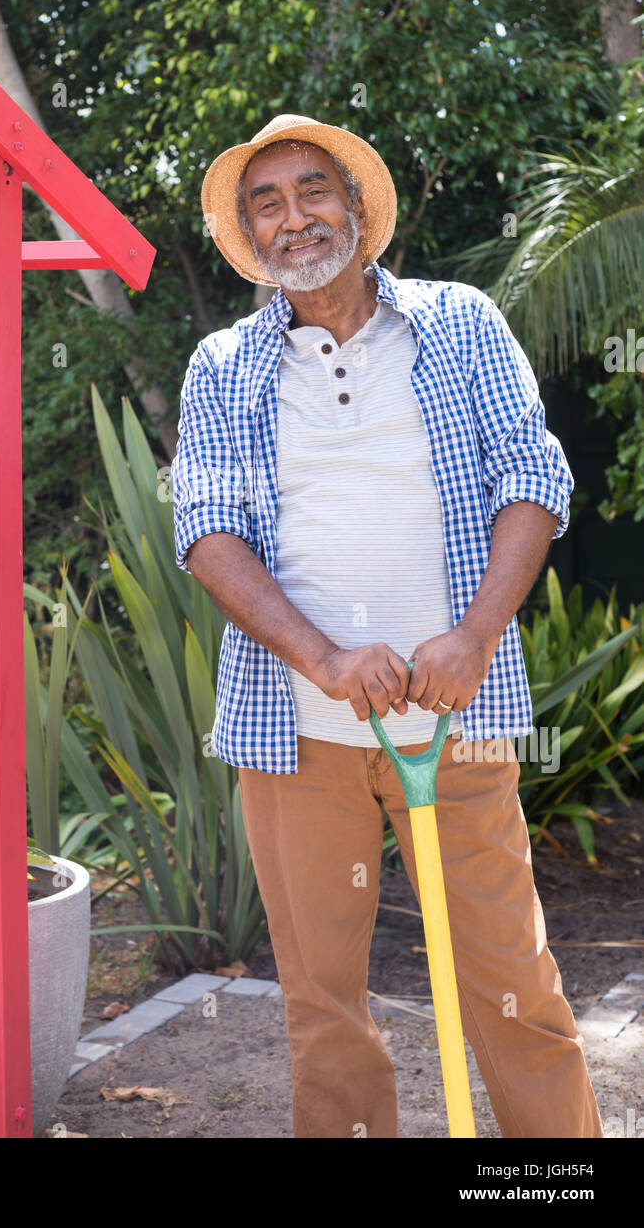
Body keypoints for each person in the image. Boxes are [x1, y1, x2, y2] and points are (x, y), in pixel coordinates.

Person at [169, 113, 603, 1139]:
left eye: (311, 189)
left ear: (355, 206)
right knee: (322, 1003)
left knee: (511, 984)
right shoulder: (220, 367)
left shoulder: (457, 322)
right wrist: (322, 656)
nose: (292, 217)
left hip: (456, 718)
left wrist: (473, 637)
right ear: (248, 235)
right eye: (264, 202)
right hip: (294, 735)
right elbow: (206, 530)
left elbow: (532, 474)